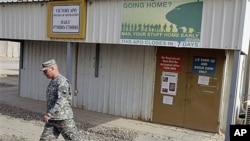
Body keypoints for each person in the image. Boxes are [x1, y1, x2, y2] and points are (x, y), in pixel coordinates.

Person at [39, 59, 82, 141]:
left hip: (63, 118)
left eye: (45, 71)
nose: (44, 74)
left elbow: (62, 100)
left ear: (52, 68)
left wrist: (49, 114)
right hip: (52, 120)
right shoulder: (53, 81)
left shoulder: (62, 81)